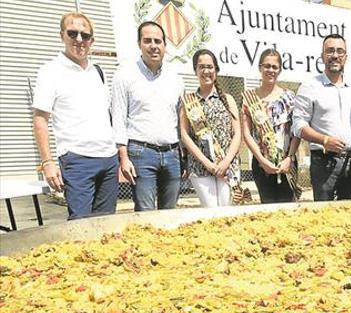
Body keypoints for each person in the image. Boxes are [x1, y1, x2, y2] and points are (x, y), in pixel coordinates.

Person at [32, 12, 118, 220]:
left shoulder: (98, 72)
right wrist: (47, 162)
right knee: (80, 225)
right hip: (77, 160)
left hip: (108, 159)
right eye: (73, 33)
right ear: (62, 35)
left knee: (106, 224)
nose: (79, 40)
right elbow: (40, 119)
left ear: (92, 41)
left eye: (85, 35)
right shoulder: (50, 71)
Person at [112, 21, 184, 211]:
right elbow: (118, 118)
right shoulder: (124, 75)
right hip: (141, 154)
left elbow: (181, 119)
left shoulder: (175, 78)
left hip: (172, 154)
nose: (153, 46)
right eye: (148, 41)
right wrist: (123, 158)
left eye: (158, 41)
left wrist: (184, 156)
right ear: (139, 44)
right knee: (145, 213)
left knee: (170, 213)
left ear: (165, 46)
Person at [292, 34, 351, 201]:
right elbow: (298, 125)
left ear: (346, 57)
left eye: (340, 51)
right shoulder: (309, 86)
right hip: (324, 163)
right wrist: (324, 140)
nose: (335, 55)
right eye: (330, 51)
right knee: (325, 216)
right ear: (322, 56)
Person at [179, 49, 242, 208]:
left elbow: (237, 134)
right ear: (195, 71)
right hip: (201, 168)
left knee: (228, 211)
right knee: (211, 212)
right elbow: (185, 135)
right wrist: (208, 163)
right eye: (201, 67)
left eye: (210, 67)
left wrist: (225, 162)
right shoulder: (188, 102)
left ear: (216, 70)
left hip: (228, 167)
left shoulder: (228, 99)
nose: (206, 71)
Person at [241, 49, 299, 204]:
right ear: (260, 67)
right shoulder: (249, 98)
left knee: (289, 210)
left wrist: (289, 158)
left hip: (287, 163)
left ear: (279, 70)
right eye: (267, 66)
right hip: (262, 164)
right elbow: (246, 134)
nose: (270, 70)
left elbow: (296, 132)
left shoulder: (290, 97)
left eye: (274, 67)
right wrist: (262, 160)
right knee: (267, 209)